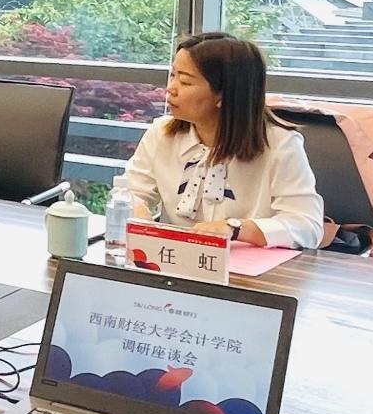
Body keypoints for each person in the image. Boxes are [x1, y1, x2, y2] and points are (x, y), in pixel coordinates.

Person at [126, 32, 324, 250]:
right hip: (172, 260)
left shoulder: (280, 145)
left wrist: (237, 229)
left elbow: (307, 226)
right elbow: (129, 191)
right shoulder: (161, 133)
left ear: (223, 94)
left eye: (185, 81)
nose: (171, 88)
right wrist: (136, 209)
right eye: (172, 75)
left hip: (247, 267)